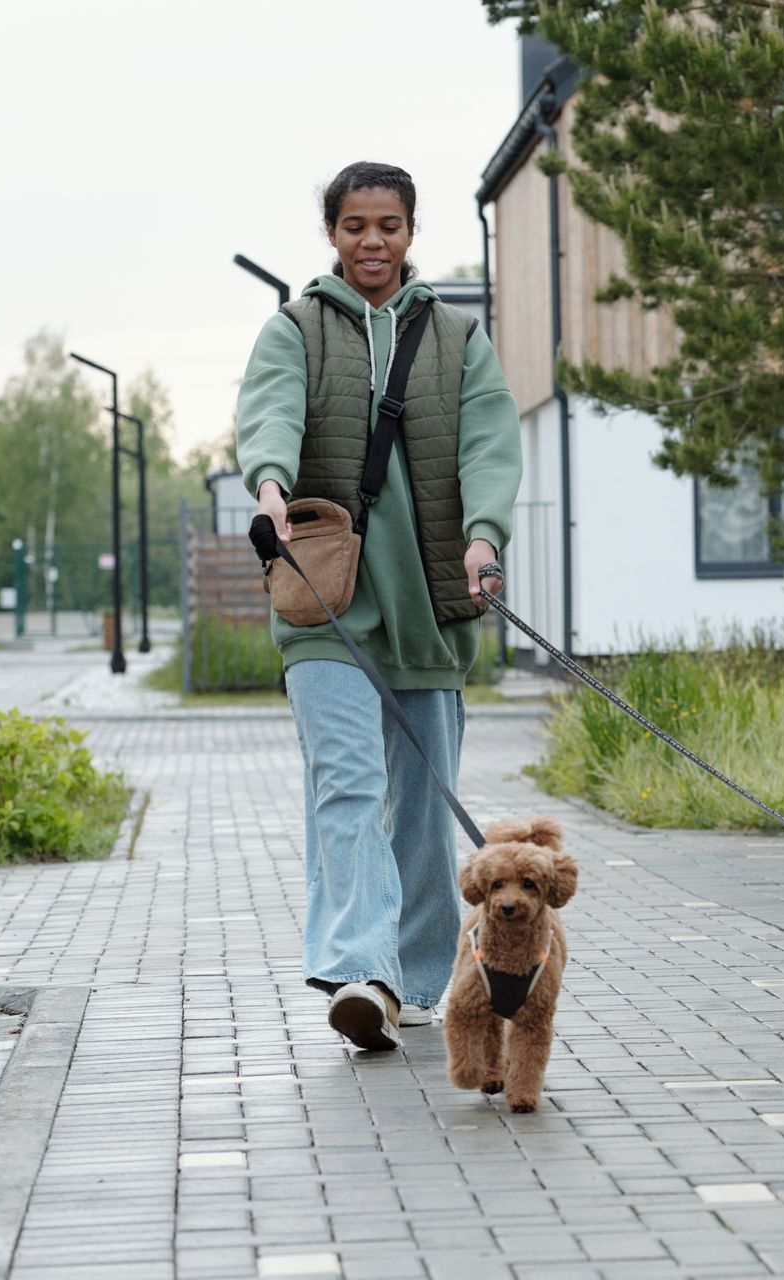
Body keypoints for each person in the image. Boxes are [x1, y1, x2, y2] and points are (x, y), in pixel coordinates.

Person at [236, 161, 522, 1052]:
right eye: (356, 224)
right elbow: (270, 415)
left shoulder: (456, 336)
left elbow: (488, 438)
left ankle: (421, 977)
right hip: (323, 602)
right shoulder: (295, 330)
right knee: (349, 786)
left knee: (422, 805)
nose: (372, 240)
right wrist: (271, 489)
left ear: (409, 233)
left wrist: (483, 537)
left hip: (429, 601)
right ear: (332, 232)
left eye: (389, 225)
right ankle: (361, 970)